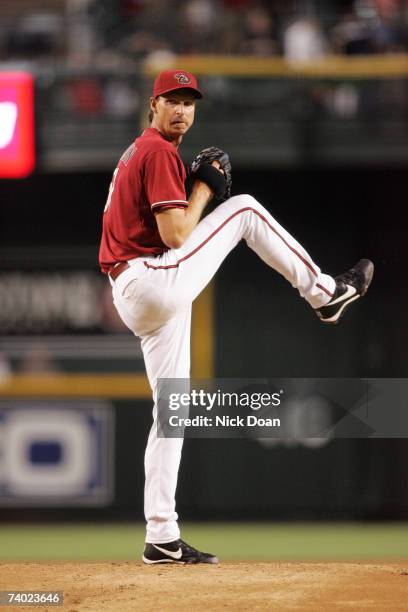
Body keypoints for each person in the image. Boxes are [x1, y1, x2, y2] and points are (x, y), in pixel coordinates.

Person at [99, 69, 374, 565]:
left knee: (171, 411)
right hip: (150, 279)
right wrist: (204, 187)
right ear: (153, 104)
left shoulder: (139, 151)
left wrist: (195, 185)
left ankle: (160, 534)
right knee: (245, 209)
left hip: (136, 287)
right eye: (172, 100)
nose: (182, 110)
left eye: (189, 102)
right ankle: (325, 293)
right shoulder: (158, 150)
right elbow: (177, 235)